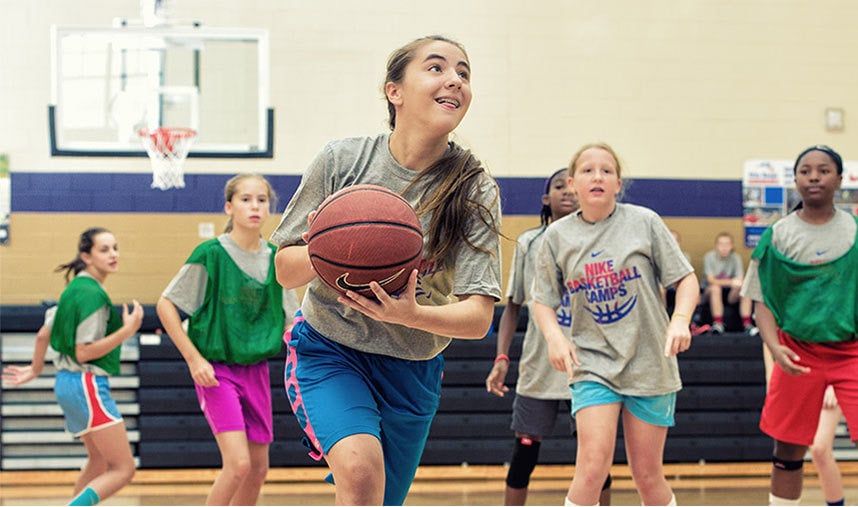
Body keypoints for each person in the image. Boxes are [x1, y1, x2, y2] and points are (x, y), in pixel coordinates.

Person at [270, 35, 502, 506]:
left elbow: (478, 318)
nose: (454, 79)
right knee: (359, 473)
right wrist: (325, 251)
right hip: (330, 348)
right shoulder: (343, 160)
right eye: (436, 68)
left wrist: (408, 314)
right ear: (394, 91)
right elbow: (283, 270)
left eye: (464, 72)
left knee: (377, 499)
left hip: (412, 367)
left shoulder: (474, 187)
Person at [531, 142, 699, 506]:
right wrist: (554, 338)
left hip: (650, 361)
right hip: (592, 364)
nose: (597, 176)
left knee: (647, 474)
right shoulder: (557, 237)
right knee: (592, 468)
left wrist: (680, 320)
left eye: (606, 170)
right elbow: (541, 301)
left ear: (618, 184)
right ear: (573, 183)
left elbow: (686, 280)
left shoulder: (644, 222)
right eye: (588, 170)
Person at [156, 174, 298, 505]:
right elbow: (166, 305)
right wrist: (194, 360)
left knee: (258, 468)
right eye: (246, 199)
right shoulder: (210, 254)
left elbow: (292, 322)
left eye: (262, 200)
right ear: (229, 207)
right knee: (238, 465)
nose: (255, 206)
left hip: (257, 370)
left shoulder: (277, 258)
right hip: (216, 369)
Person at [485, 168, 611, 506]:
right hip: (539, 367)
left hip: (589, 366)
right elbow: (512, 306)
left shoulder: (600, 241)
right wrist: (501, 359)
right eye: (559, 186)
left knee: (597, 458)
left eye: (572, 185)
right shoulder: (529, 242)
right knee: (524, 453)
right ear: (546, 198)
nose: (567, 192)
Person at [740, 144, 856, 506]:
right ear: (796, 180)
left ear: (839, 178)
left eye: (823, 170)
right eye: (806, 171)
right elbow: (762, 304)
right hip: (797, 351)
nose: (814, 177)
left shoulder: (853, 230)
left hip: (850, 351)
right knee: (787, 450)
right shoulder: (778, 235)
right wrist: (775, 349)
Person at [2, 227, 144, 506]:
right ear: (86, 256)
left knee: (99, 459)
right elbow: (83, 352)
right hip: (85, 383)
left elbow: (44, 334)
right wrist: (128, 331)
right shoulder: (91, 294)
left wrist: (35, 369)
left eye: (115, 248)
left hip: (66, 383)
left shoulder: (75, 287)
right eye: (104, 249)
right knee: (123, 469)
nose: (113, 254)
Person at [701, 232, 755, 334]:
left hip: (730, 294)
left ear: (732, 246)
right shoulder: (709, 257)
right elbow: (711, 280)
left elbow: (740, 279)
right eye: (721, 244)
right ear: (716, 246)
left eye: (727, 244)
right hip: (709, 293)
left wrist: (736, 284)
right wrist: (731, 282)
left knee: (745, 287)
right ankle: (718, 324)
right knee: (715, 288)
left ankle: (747, 325)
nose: (724, 247)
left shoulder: (736, 258)